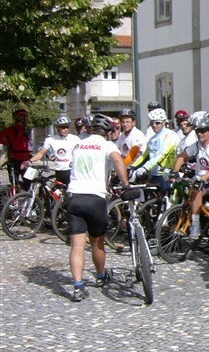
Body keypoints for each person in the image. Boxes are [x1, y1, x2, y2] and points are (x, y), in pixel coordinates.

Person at [66, 114, 129, 301]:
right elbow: (118, 161)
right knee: (97, 243)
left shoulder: (78, 144)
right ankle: (101, 275)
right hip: (95, 198)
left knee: (76, 245)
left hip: (75, 196)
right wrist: (125, 184)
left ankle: (77, 286)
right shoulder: (107, 145)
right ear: (108, 133)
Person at [171, 111, 209, 258]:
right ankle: (195, 226)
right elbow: (182, 156)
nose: (200, 134)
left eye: (203, 131)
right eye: (198, 131)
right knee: (195, 191)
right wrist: (175, 172)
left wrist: (202, 179)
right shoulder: (196, 145)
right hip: (201, 182)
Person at [129, 108, 179, 195]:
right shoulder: (152, 138)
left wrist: (145, 168)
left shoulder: (170, 136)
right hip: (153, 173)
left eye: (157, 123)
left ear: (164, 122)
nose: (154, 125)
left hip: (165, 174)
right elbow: (145, 156)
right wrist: (133, 167)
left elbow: (160, 155)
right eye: (152, 123)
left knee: (165, 202)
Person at [22, 115, 80, 186]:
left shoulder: (75, 139)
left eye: (67, 127)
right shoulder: (50, 140)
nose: (65, 129)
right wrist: (29, 161)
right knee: (59, 194)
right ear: (57, 128)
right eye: (63, 127)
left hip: (71, 171)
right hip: (59, 171)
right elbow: (41, 153)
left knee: (71, 193)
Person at [0, 109, 32, 189]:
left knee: (29, 183)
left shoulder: (24, 131)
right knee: (15, 184)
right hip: (15, 160)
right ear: (21, 118)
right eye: (26, 118)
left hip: (25, 161)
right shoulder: (11, 130)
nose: (28, 120)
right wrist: (7, 143)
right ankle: (15, 200)